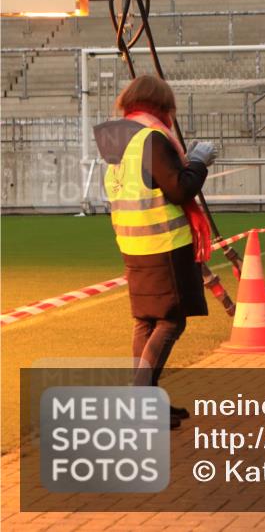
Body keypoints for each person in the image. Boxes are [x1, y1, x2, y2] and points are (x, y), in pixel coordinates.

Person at [93, 75, 217, 428]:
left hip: (133, 243)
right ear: (162, 105)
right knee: (170, 319)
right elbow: (179, 189)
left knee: (146, 320)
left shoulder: (119, 140)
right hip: (164, 243)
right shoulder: (151, 138)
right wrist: (198, 161)